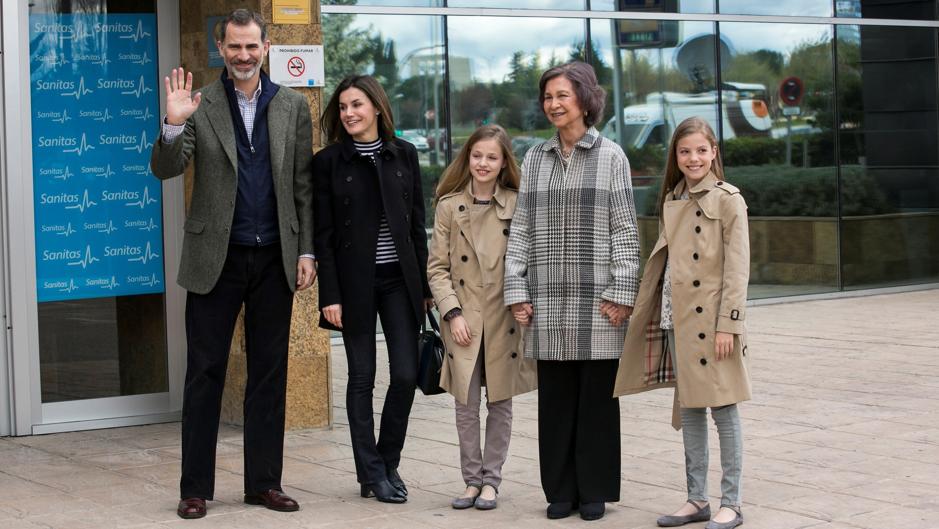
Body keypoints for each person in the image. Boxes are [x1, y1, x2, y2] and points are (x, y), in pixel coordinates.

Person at [150, 9, 314, 520]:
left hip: (274, 258)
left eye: (252, 47)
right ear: (220, 49)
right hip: (213, 259)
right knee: (205, 372)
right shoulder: (200, 103)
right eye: (234, 47)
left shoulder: (291, 106)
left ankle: (264, 483)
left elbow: (303, 186)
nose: (243, 55)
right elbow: (165, 168)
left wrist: (307, 250)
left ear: (266, 48)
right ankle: (194, 487)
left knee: (269, 374)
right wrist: (174, 124)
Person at [503, 61, 641, 522]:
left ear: (585, 99)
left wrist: (623, 289)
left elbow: (624, 227)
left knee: (597, 400)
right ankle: (560, 491)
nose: (554, 104)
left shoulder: (612, 156)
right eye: (548, 97)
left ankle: (595, 490)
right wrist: (516, 287)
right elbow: (520, 228)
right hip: (547, 300)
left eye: (562, 95)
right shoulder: (536, 158)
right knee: (557, 401)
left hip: (599, 300)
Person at [613, 117, 752, 529]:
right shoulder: (674, 198)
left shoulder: (729, 200)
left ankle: (733, 502)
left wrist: (730, 324)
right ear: (676, 156)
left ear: (714, 154)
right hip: (676, 320)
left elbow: (738, 269)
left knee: (724, 410)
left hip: (713, 324)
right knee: (690, 410)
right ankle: (696, 499)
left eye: (701, 150)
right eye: (685, 151)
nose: (693, 158)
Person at [313, 75, 431, 504]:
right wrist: (329, 295)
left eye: (357, 105)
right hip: (353, 284)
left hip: (401, 281)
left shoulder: (405, 155)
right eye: (343, 107)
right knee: (361, 377)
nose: (349, 114)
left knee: (403, 374)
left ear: (377, 108)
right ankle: (371, 473)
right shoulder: (328, 162)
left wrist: (426, 286)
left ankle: (387, 461)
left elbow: (416, 224)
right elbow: (323, 235)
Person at [427, 125, 538, 511]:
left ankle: (492, 481)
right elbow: (437, 269)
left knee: (501, 404)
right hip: (464, 320)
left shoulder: (519, 203)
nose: (483, 163)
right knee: (465, 405)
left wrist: (524, 301)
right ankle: (471, 481)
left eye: (492, 157)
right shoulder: (448, 206)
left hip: (505, 317)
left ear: (504, 161)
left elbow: (529, 262)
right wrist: (451, 312)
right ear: (467, 158)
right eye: (477, 156)